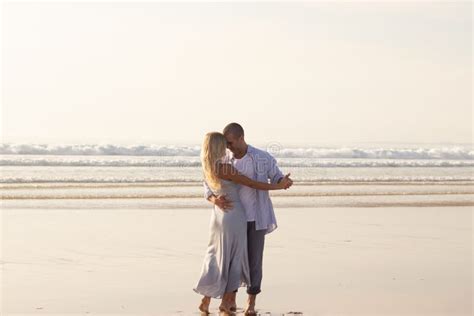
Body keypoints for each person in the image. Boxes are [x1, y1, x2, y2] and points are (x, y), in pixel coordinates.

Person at [193, 131, 292, 314]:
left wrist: (281, 181)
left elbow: (275, 174)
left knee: (228, 258)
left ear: (240, 138)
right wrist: (213, 199)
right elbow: (251, 184)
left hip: (238, 217)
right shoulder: (225, 163)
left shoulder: (258, 157)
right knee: (233, 259)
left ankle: (226, 302)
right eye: (224, 143)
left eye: (229, 142)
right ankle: (226, 302)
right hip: (234, 217)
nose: (228, 147)